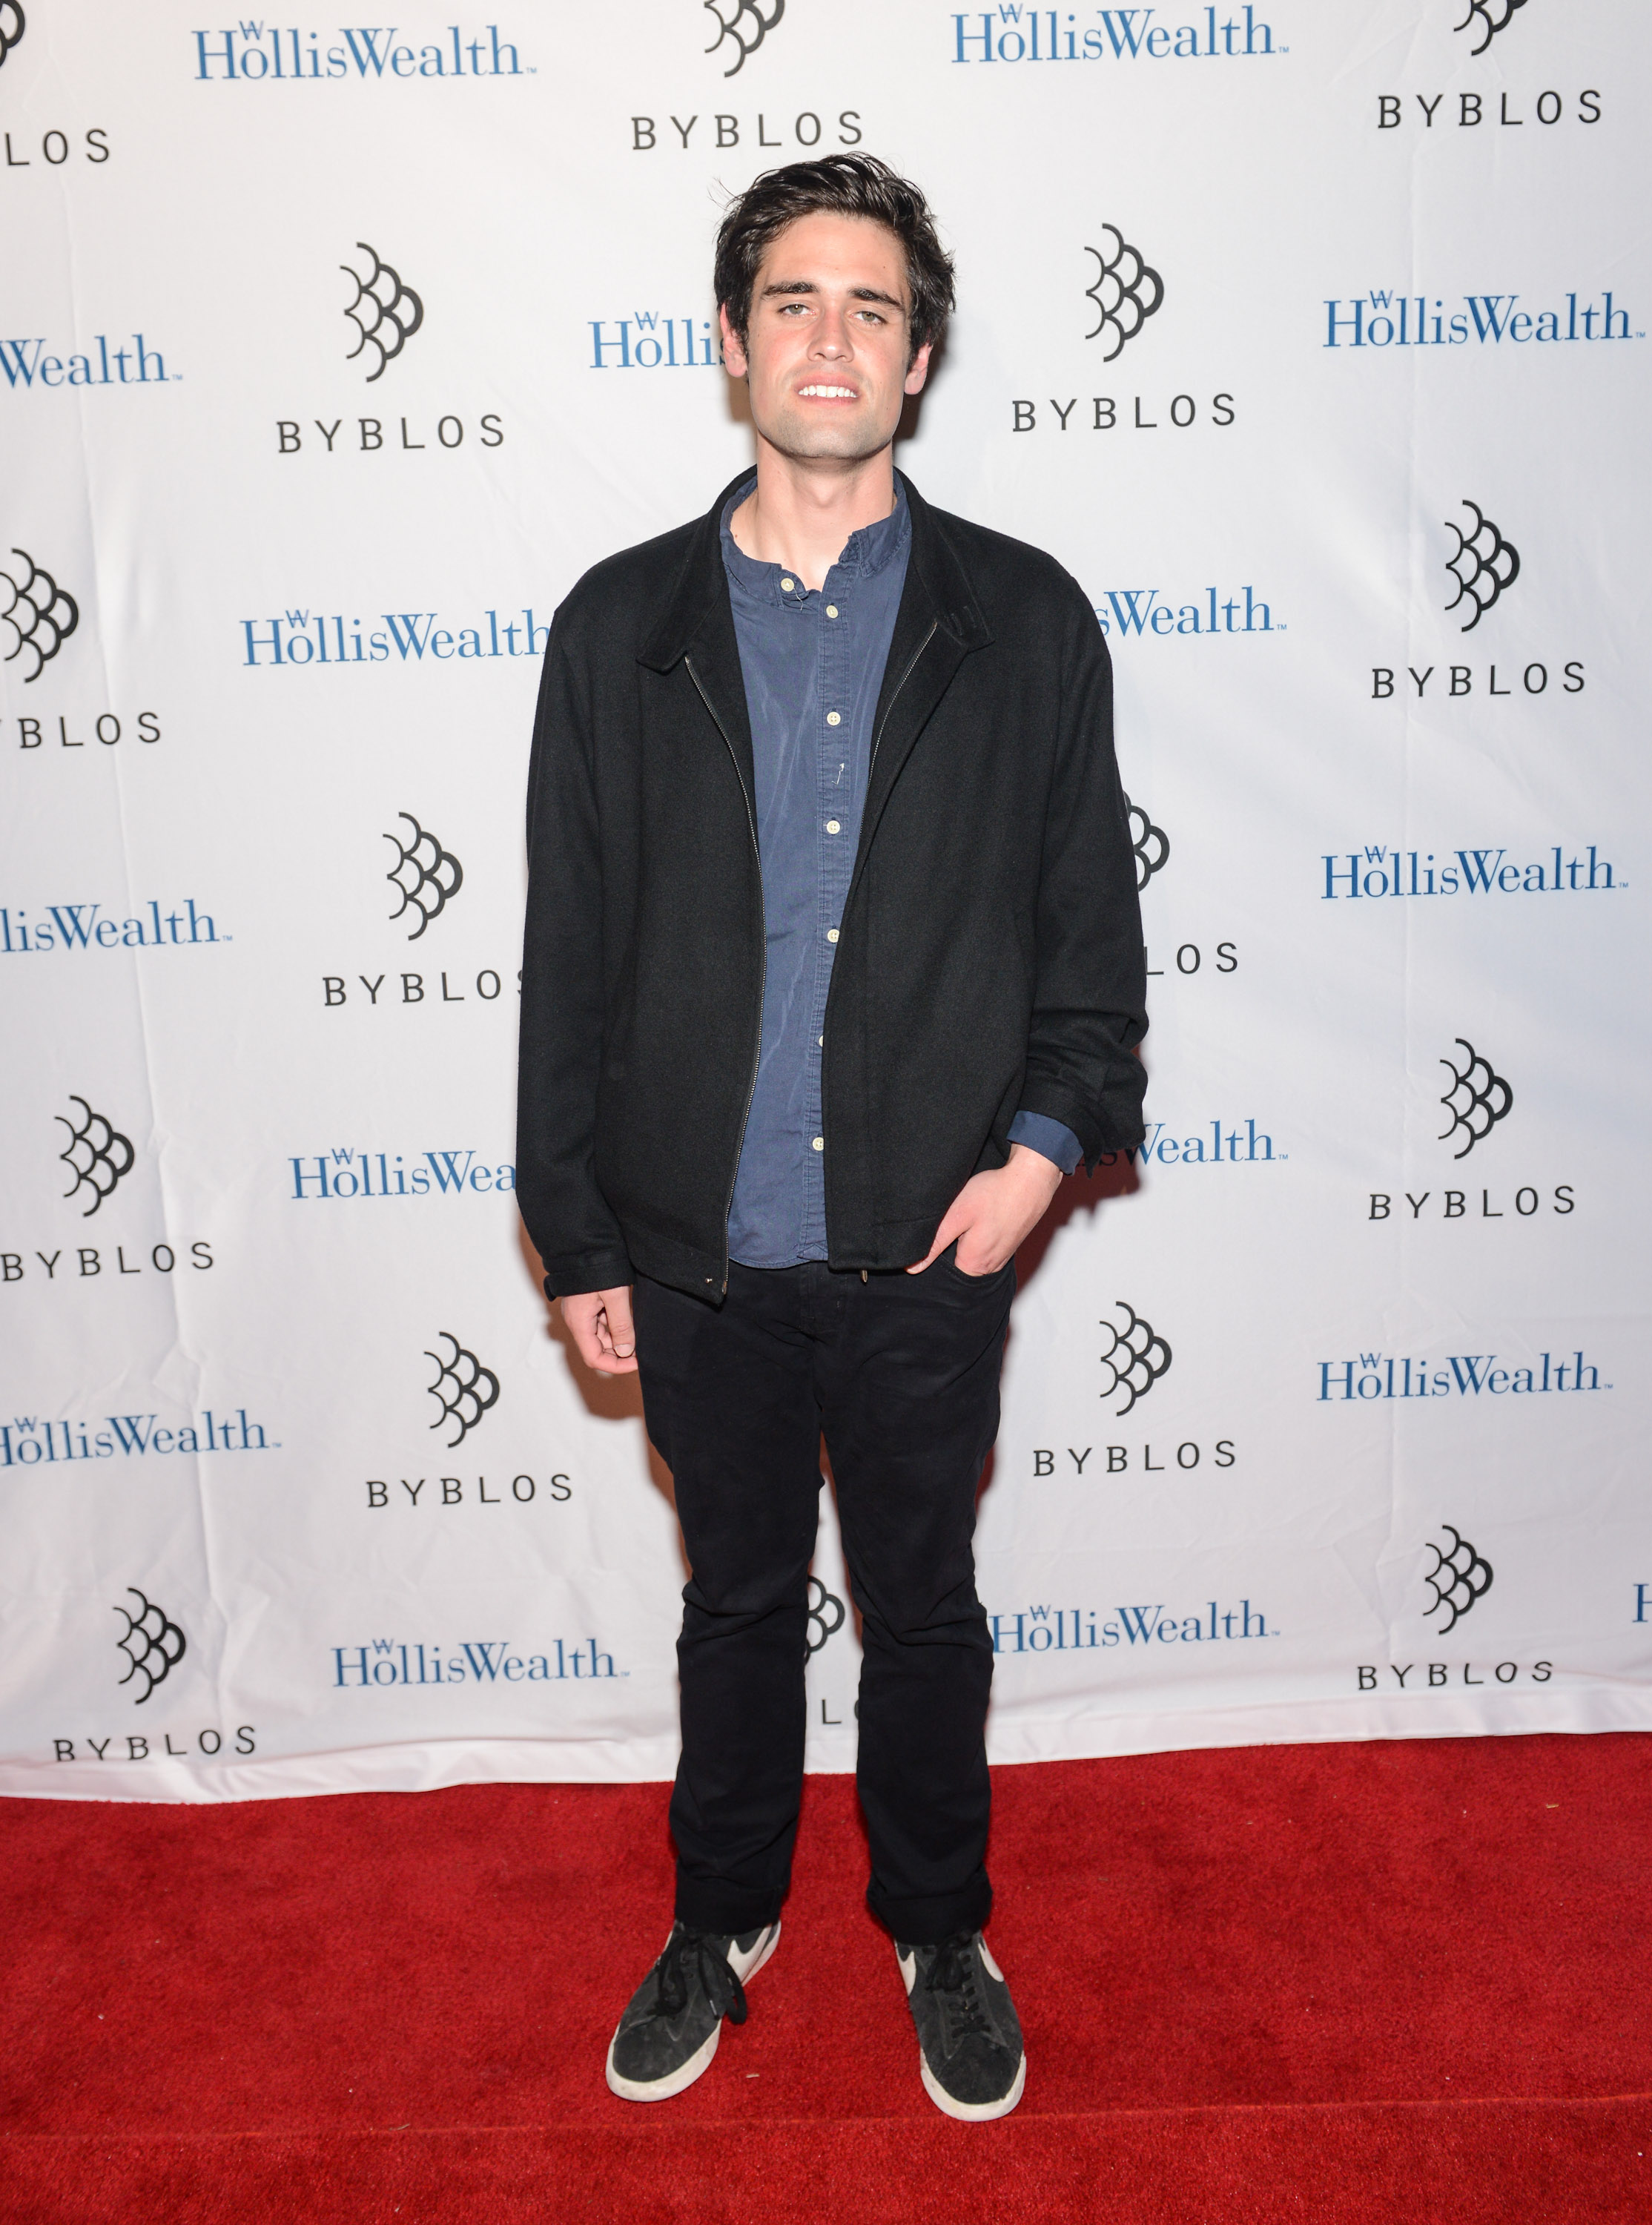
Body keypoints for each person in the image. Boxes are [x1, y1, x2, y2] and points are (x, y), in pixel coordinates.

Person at [516, 154, 1147, 2121]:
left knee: (925, 1607)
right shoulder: (615, 626)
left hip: (922, 1240)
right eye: (792, 298)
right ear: (729, 339)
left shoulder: (1020, 618)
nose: (828, 337)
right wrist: (579, 1228)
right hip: (693, 1243)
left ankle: (937, 1925)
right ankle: (719, 1918)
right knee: (727, 1605)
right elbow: (567, 952)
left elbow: (1086, 945)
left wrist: (1038, 1156)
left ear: (921, 353)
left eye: (870, 306)